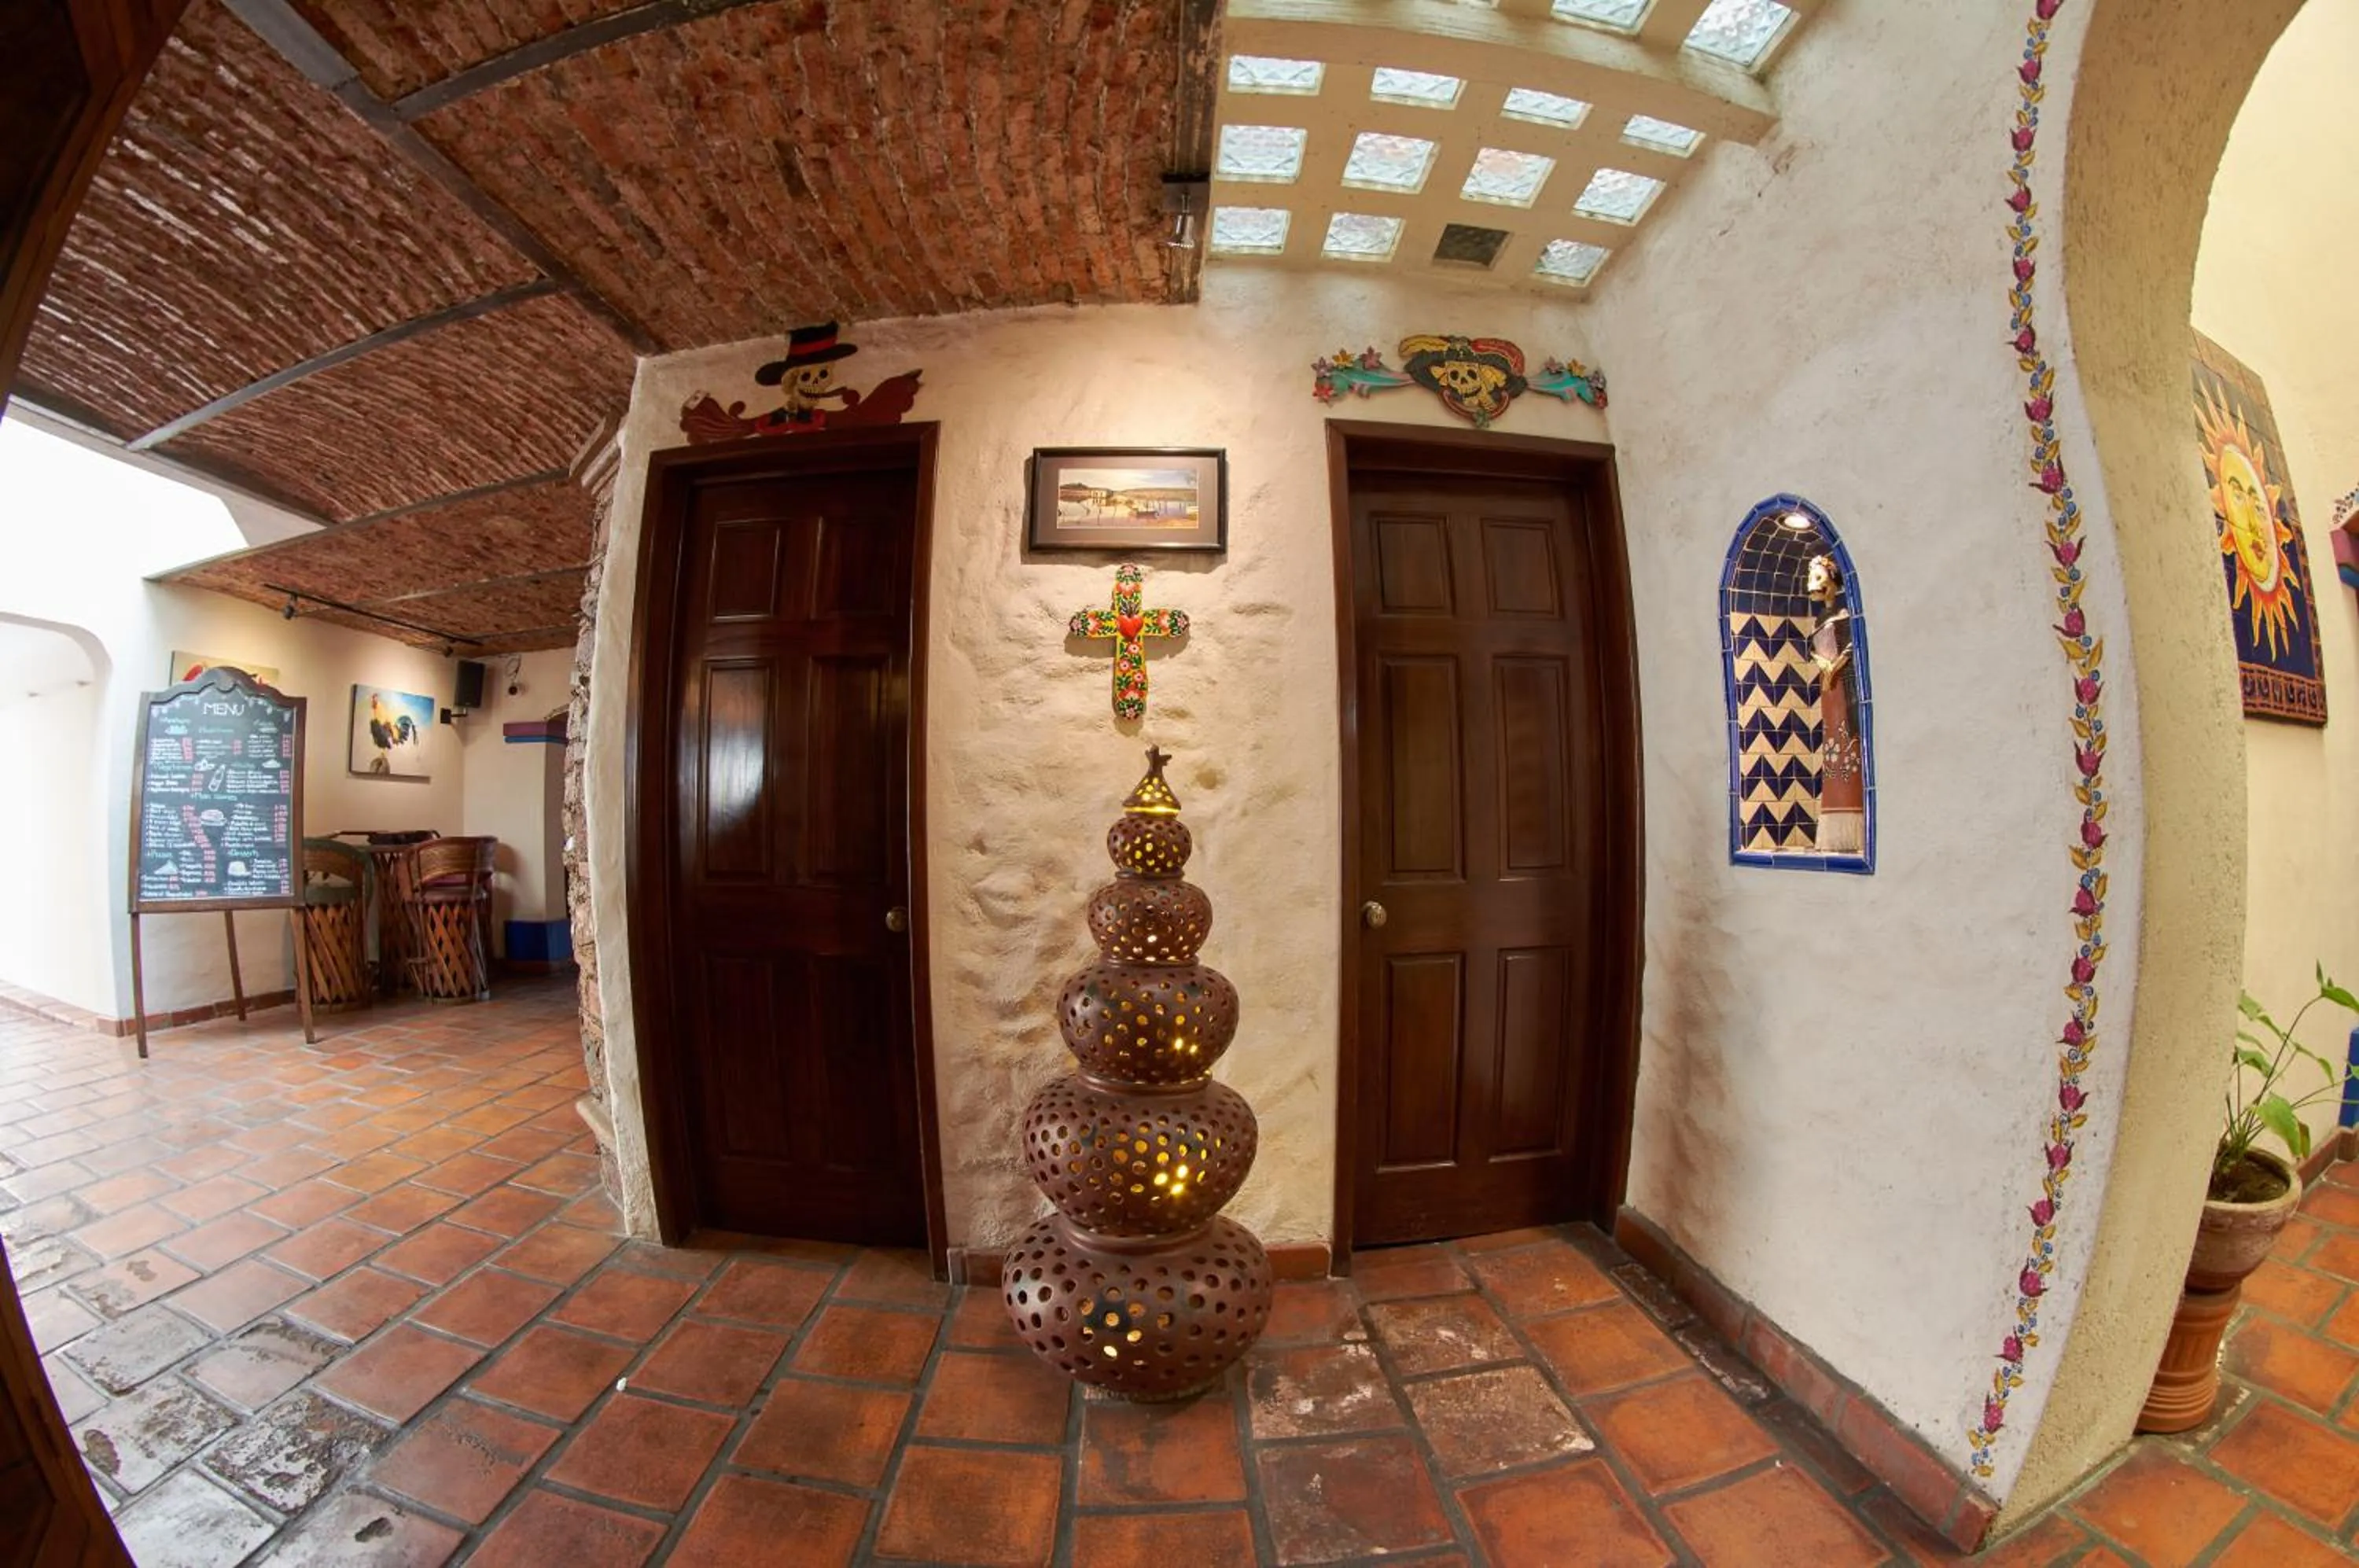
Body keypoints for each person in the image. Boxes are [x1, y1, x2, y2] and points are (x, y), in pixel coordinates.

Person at [1806, 553, 1864, 855]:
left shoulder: (1845, 613)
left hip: (1844, 684)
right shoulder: (1819, 620)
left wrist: (1836, 665)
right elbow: (1811, 648)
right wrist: (1823, 665)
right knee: (1832, 741)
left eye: (1818, 578)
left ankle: (1853, 820)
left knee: (1847, 740)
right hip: (1828, 687)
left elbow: (1853, 643)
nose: (1812, 585)